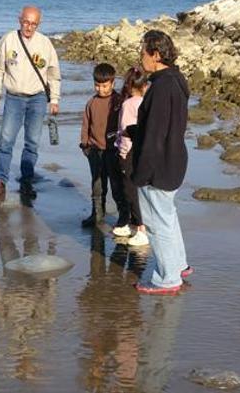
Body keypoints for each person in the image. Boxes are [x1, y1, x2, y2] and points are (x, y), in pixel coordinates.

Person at [131, 30, 193, 295]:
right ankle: (178, 265)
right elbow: (164, 125)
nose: (141, 57)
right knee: (168, 216)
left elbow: (156, 135)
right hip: (175, 158)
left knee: (158, 222)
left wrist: (140, 173)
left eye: (143, 52)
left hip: (160, 163)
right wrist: (136, 130)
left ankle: (168, 278)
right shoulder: (176, 79)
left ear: (156, 55)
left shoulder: (161, 86)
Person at [0, 6, 61, 201]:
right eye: (26, 22)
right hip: (13, 97)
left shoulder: (45, 44)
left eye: (34, 24)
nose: (29, 27)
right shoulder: (8, 40)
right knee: (6, 141)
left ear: (39, 24)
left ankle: (26, 181)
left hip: (37, 98)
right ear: (19, 19)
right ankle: (0, 181)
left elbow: (54, 74)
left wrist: (54, 99)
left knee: (32, 143)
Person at [79, 63, 128, 228]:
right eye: (97, 85)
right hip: (95, 150)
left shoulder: (118, 101)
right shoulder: (91, 103)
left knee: (117, 186)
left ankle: (123, 216)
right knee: (97, 185)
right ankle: (97, 214)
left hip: (113, 151)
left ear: (113, 83)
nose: (100, 89)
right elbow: (86, 124)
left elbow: (125, 123)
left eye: (105, 85)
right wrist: (85, 144)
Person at [112, 66, 149, 246]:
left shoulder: (128, 104)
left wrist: (123, 152)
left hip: (128, 152)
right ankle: (136, 224)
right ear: (144, 86)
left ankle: (140, 227)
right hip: (142, 151)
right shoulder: (146, 102)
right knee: (138, 190)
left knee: (130, 190)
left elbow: (126, 131)